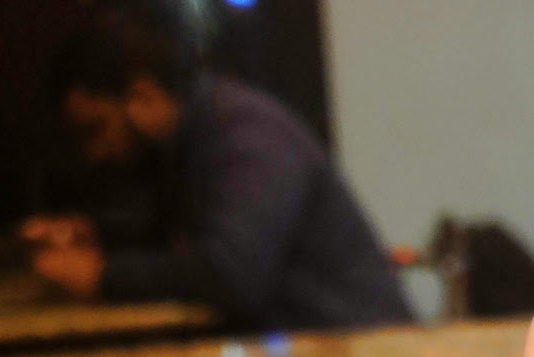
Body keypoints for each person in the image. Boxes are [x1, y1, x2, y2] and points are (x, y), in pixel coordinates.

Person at [24, 4, 413, 331]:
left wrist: (101, 275)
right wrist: (92, 233)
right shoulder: (197, 137)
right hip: (309, 355)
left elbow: (232, 273)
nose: (93, 153)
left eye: (95, 129)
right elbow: (176, 232)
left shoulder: (245, 133)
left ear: (143, 96)